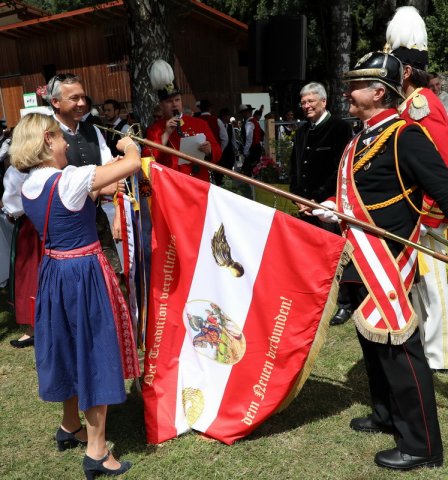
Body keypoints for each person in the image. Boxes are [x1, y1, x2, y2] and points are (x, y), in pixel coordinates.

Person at [313, 51, 448, 470]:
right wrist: (334, 206)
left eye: (355, 85)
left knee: (400, 349)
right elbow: (367, 193)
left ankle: (422, 443)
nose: (347, 92)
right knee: (371, 341)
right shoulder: (361, 137)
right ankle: (386, 413)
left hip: (392, 256)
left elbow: (443, 189)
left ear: (378, 92)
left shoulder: (405, 134)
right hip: (359, 252)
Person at [9, 112, 140, 478]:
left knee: (66, 346)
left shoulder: (30, 185)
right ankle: (97, 451)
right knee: (94, 350)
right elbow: (130, 164)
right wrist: (128, 143)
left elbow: (71, 200)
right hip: (83, 273)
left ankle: (70, 426)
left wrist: (99, 184)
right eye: (61, 138)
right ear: (47, 141)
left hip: (52, 273)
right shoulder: (70, 178)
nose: (68, 143)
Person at [386, 5, 448, 371]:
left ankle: (440, 356)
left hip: (430, 214)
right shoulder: (411, 103)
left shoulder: (421, 104)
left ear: (406, 71)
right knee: (425, 286)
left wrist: (430, 210)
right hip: (417, 211)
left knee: (437, 286)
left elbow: (439, 160)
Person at [43, 74, 123, 272]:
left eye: (83, 97)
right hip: (65, 228)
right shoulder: (45, 134)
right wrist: (101, 186)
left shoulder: (93, 131)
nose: (81, 103)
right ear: (55, 102)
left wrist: (119, 213)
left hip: (97, 219)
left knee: (113, 278)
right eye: (74, 98)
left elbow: (114, 173)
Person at [290, 82, 353, 326]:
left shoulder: (339, 128)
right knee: (309, 257)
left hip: (327, 203)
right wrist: (296, 196)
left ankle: (344, 303)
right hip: (304, 205)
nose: (306, 106)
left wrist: (317, 199)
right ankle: (314, 301)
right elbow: (296, 166)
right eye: (303, 102)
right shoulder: (302, 131)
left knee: (335, 255)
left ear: (323, 102)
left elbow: (338, 167)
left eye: (310, 101)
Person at [142, 59, 221, 182]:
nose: (174, 105)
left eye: (177, 100)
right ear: (161, 105)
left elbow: (217, 152)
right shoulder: (155, 128)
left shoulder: (199, 123)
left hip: (198, 181)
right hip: (171, 185)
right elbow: (148, 157)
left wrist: (209, 150)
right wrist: (166, 134)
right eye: (169, 101)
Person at [2, 165, 40, 348]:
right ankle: (35, 327)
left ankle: (35, 329)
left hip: (35, 225)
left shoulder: (18, 170)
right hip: (36, 225)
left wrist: (11, 211)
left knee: (32, 274)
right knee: (31, 273)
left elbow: (12, 209)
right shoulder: (18, 169)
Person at [214, 107, 237, 185]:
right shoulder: (218, 125)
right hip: (221, 152)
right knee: (220, 171)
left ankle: (229, 185)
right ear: (223, 116)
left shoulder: (230, 127)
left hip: (229, 152)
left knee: (229, 170)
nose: (228, 117)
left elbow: (233, 139)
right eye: (227, 115)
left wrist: (235, 149)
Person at [239, 104, 263, 176]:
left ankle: (250, 186)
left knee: (248, 171)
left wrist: (245, 151)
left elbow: (249, 139)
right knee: (253, 170)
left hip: (253, 149)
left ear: (246, 112)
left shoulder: (249, 123)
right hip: (256, 147)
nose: (242, 115)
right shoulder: (254, 121)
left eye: (242, 113)